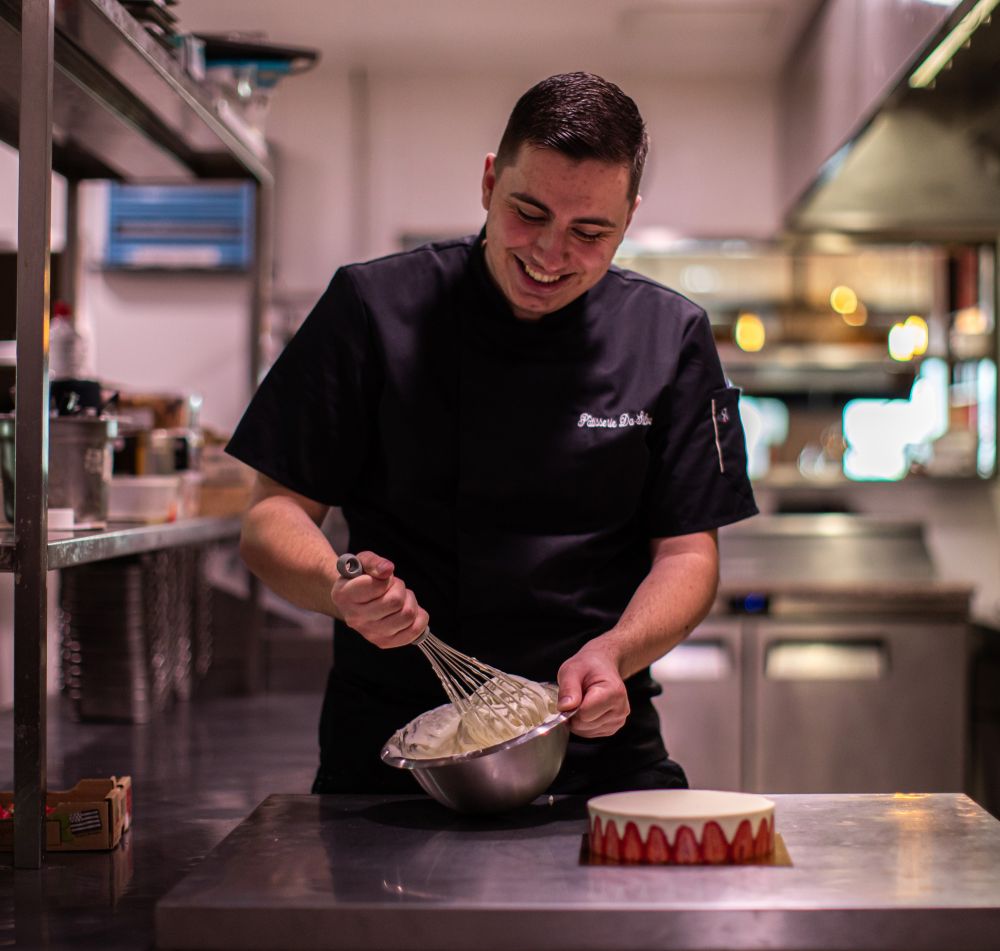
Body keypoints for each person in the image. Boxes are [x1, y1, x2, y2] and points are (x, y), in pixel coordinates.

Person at [227, 71, 758, 796]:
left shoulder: (669, 337)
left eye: (589, 232)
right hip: (395, 753)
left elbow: (690, 552)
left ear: (628, 219)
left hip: (594, 745)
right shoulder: (371, 309)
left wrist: (616, 650)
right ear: (488, 182)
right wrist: (335, 585)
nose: (548, 253)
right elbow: (270, 514)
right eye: (528, 212)